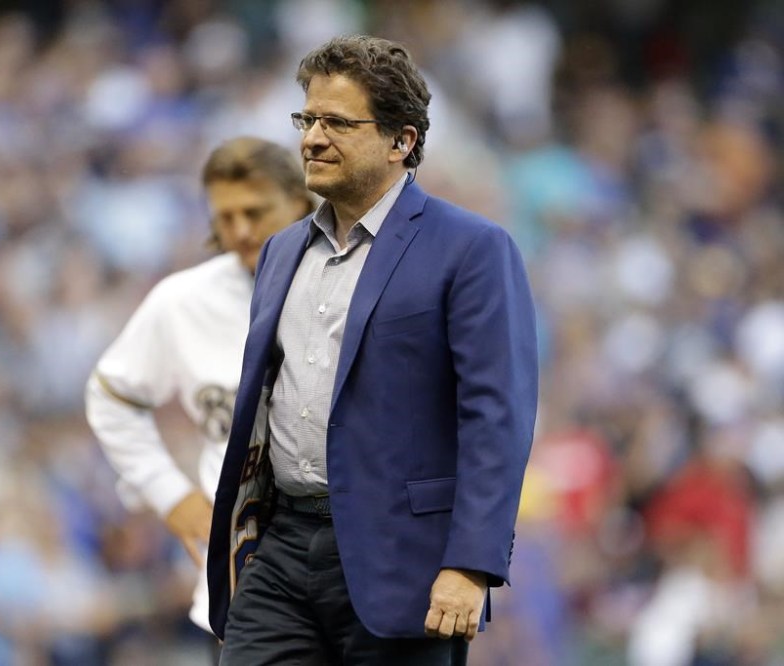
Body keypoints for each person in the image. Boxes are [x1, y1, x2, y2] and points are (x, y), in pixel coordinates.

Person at [207, 35, 539, 664]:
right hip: (281, 552)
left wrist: (471, 565)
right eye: (307, 119)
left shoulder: (472, 249)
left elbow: (498, 419)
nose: (311, 138)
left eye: (336, 122)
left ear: (401, 141)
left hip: (402, 564)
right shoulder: (281, 252)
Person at [84, 138, 316, 645]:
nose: (241, 231)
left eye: (255, 212)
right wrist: (171, 495)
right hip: (249, 574)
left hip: (354, 565)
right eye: (224, 217)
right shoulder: (184, 301)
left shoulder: (352, 286)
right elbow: (111, 398)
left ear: (301, 201)